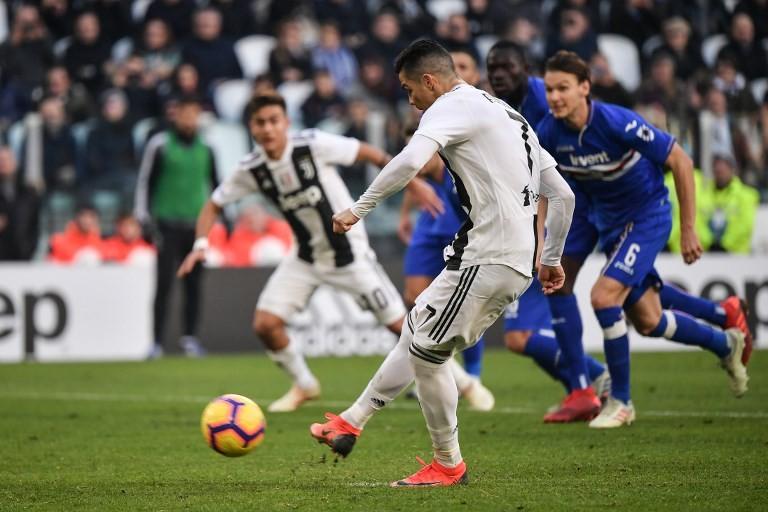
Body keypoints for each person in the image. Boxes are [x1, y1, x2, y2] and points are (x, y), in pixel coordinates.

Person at [310, 39, 575, 487]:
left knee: (428, 353)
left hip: (487, 257)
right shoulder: (511, 116)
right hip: (506, 259)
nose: (410, 99)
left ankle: (447, 464)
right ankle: (351, 422)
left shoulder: (449, 106)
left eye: (409, 89)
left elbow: (411, 160)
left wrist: (359, 208)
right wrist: (549, 259)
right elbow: (563, 195)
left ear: (430, 81)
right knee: (417, 330)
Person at [176, 93, 447, 413]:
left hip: (349, 255)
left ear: (286, 123)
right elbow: (214, 204)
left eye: (274, 121)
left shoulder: (312, 144)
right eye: (260, 123)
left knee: (400, 327)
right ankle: (304, 385)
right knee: (265, 324)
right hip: (305, 258)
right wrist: (201, 245)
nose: (268, 129)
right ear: (251, 128)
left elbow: (369, 152)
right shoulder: (252, 169)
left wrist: (413, 184)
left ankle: (458, 382)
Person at [536, 51, 752, 429]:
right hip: (608, 224)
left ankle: (621, 401)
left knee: (603, 297)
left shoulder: (616, 121)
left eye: (563, 88)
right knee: (649, 319)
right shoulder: (549, 133)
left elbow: (680, 161)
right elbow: (541, 189)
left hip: (647, 215)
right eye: (550, 88)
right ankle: (725, 341)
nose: (555, 96)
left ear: (585, 88)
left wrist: (687, 229)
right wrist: (541, 246)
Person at [485, 40, 610, 412]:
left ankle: (590, 381)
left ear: (527, 67)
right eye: (493, 68)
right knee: (520, 335)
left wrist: (542, 244)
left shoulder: (545, 107)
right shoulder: (513, 106)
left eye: (507, 66)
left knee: (521, 335)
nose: (498, 74)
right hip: (540, 222)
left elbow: (548, 181)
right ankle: (585, 385)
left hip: (556, 222)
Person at [397, 49, 495, 410]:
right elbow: (411, 169)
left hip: (458, 233)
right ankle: (436, 373)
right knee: (415, 302)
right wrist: (406, 212)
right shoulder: (428, 128)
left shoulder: (459, 162)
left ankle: (474, 374)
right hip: (428, 228)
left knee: (461, 309)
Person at [135, 95, 217, 359]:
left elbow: (217, 186)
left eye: (194, 114)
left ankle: (190, 338)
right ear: (176, 115)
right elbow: (145, 182)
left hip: (196, 226)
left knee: (194, 284)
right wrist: (144, 218)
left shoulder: (207, 148)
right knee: (164, 284)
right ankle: (157, 342)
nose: (190, 119)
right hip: (166, 224)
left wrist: (223, 218)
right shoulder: (160, 145)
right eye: (185, 113)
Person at [704, 154, 759, 254]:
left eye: (723, 171)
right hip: (709, 254)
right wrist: (709, 243)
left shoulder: (746, 195)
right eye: (717, 172)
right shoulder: (703, 194)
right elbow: (697, 222)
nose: (720, 174)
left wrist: (724, 244)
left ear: (733, 170)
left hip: (737, 257)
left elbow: (744, 226)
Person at [0, 146, 40, 261]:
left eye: (6, 160)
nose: (3, 164)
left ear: (14, 162)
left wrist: (29, 249)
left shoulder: (29, 192)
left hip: (22, 257)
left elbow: (35, 225)